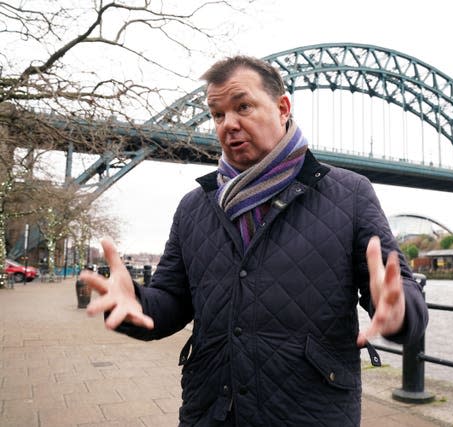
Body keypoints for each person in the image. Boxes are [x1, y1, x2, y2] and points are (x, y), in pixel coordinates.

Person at [81, 55, 428, 427]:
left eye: (243, 106)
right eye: (217, 114)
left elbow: (400, 288)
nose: (228, 124)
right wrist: (133, 302)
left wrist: (399, 311)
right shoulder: (194, 207)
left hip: (312, 415)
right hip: (212, 413)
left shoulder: (349, 194)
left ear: (282, 108)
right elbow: (170, 302)